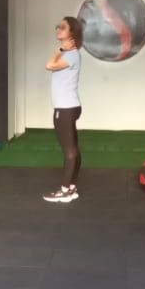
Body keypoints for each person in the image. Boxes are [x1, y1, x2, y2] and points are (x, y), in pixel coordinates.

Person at [43, 16, 83, 203]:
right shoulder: (69, 54)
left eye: (63, 27)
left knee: (69, 151)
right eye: (58, 26)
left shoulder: (71, 54)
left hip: (66, 108)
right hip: (68, 106)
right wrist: (61, 50)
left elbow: (49, 65)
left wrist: (59, 50)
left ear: (72, 33)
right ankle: (72, 187)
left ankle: (65, 190)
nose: (58, 29)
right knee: (72, 149)